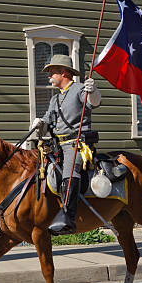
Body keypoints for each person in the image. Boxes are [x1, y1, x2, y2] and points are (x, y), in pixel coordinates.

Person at [30, 54, 102, 235]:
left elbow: (95, 103)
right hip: (56, 145)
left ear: (63, 73)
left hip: (75, 144)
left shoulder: (80, 89)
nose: (49, 77)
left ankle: (67, 218)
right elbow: (48, 122)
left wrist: (93, 91)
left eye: (51, 73)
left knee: (70, 171)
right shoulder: (55, 99)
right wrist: (40, 123)